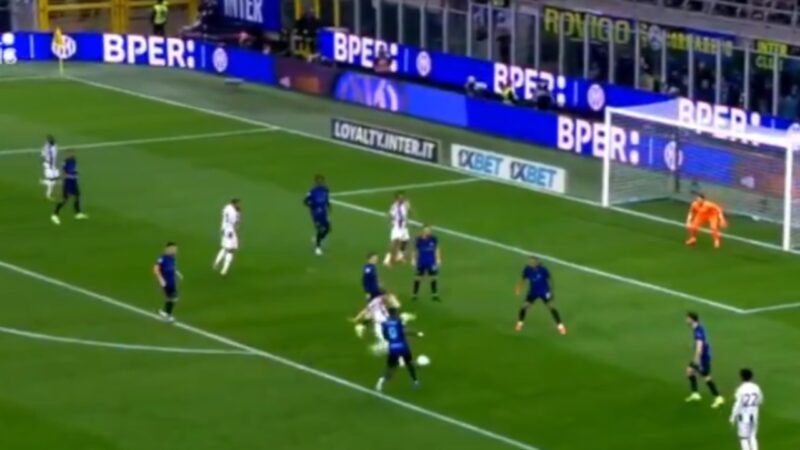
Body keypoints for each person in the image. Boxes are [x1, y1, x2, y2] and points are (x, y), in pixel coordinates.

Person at [514, 256, 567, 335]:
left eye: (531, 261)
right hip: (533, 292)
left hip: (544, 292)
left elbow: (550, 279)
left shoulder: (543, 270)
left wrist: (551, 291)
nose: (530, 263)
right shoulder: (527, 269)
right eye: (529, 261)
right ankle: (520, 323)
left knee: (551, 307)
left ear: (536, 263)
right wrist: (519, 287)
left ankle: (560, 326)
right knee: (524, 306)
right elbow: (523, 278)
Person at [685, 312, 725, 408]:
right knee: (689, 371)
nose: (686, 320)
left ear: (692, 319)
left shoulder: (698, 331)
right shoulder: (698, 328)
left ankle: (718, 397)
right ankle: (695, 394)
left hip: (702, 357)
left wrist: (696, 360)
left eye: (687, 318)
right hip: (703, 356)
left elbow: (699, 347)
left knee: (706, 377)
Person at [375, 308, 420, 392]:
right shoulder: (398, 322)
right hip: (403, 347)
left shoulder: (384, 324)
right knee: (409, 364)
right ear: (395, 313)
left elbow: (385, 337)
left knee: (391, 367)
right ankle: (415, 381)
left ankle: (381, 381)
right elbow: (404, 331)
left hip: (393, 348)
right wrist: (416, 333)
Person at [51, 151, 87, 225]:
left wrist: (76, 174)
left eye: (73, 154)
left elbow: (74, 170)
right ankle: (55, 214)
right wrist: (69, 176)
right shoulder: (65, 162)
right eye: (71, 154)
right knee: (65, 199)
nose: (72, 155)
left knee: (77, 195)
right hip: (68, 183)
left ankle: (78, 213)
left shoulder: (74, 161)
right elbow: (64, 172)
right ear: (68, 155)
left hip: (74, 182)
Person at [730, 368, 763, 450]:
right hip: (754, 415)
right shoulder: (756, 387)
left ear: (741, 377)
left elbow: (737, 404)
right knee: (752, 436)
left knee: (743, 438)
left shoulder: (740, 389)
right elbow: (760, 400)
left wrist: (732, 417)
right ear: (752, 377)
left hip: (743, 416)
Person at [154, 242, 182, 323]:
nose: (175, 251)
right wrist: (161, 279)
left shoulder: (172, 258)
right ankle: (166, 315)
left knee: (172, 298)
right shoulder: (162, 259)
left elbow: (172, 268)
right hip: (166, 282)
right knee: (173, 298)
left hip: (171, 281)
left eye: (175, 249)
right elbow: (156, 269)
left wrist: (177, 273)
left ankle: (165, 313)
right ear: (168, 249)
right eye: (173, 249)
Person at [213, 199, 241, 276]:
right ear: (234, 204)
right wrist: (238, 214)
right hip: (230, 232)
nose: (239, 205)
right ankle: (224, 270)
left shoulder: (226, 208)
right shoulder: (234, 213)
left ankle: (216, 263)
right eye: (238, 203)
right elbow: (235, 225)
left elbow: (224, 214)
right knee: (231, 250)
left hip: (223, 230)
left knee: (225, 247)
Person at [412, 226, 441, 301]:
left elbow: (436, 249)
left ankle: (434, 295)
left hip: (431, 261)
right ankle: (415, 294)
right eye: (426, 230)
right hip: (421, 261)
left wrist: (438, 259)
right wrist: (413, 259)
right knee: (418, 278)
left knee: (433, 278)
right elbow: (415, 250)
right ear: (423, 231)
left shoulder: (433, 239)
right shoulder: (419, 239)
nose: (428, 232)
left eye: (429, 230)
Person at [304, 175, 331, 255]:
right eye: (318, 182)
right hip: (316, 213)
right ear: (315, 182)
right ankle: (317, 247)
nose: (320, 183)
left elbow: (326, 199)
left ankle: (317, 239)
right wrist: (312, 205)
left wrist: (328, 206)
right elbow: (305, 201)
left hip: (323, 212)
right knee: (319, 229)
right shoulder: (312, 191)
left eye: (321, 181)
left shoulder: (326, 190)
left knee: (327, 229)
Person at [384, 192, 411, 266]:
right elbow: (390, 215)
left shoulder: (405, 204)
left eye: (402, 198)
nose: (401, 199)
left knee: (405, 241)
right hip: (397, 227)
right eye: (400, 198)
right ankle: (387, 260)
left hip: (404, 227)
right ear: (396, 199)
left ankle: (399, 256)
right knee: (394, 243)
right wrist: (391, 222)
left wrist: (406, 221)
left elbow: (407, 213)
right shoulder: (394, 206)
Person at [41, 135, 59, 200]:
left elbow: (43, 154)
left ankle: (44, 182)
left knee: (55, 179)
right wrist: (51, 166)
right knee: (52, 181)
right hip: (49, 165)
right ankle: (48, 194)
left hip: (49, 164)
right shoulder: (52, 148)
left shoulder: (47, 146)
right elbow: (51, 157)